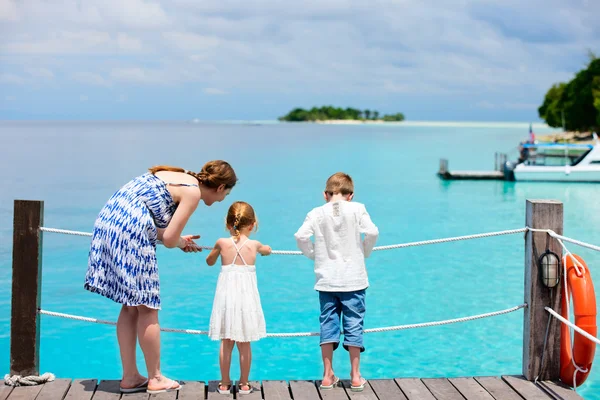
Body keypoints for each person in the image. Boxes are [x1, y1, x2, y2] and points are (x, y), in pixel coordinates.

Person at [84, 161, 237, 394]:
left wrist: (178, 239)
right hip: (130, 233)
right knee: (147, 308)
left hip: (109, 223)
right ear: (220, 187)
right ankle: (155, 377)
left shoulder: (178, 176)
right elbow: (168, 240)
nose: (222, 199)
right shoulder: (193, 193)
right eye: (226, 193)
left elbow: (151, 222)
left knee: (130, 305)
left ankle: (130, 377)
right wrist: (179, 242)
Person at [294, 172, 379, 393]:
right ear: (350, 195)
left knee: (328, 324)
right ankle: (356, 376)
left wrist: (314, 255)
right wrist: (365, 251)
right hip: (354, 279)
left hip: (326, 281)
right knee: (354, 325)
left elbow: (301, 237)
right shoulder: (358, 208)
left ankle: (326, 375)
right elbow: (372, 232)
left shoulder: (315, 213)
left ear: (325, 194)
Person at [206, 201, 272, 395]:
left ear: (228, 224)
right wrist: (266, 249)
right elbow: (266, 250)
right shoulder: (255, 245)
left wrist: (215, 253)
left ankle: (225, 383)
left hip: (226, 298)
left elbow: (209, 261)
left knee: (226, 342)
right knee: (244, 343)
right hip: (246, 299)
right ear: (252, 225)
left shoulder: (221, 243)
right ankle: (244, 383)